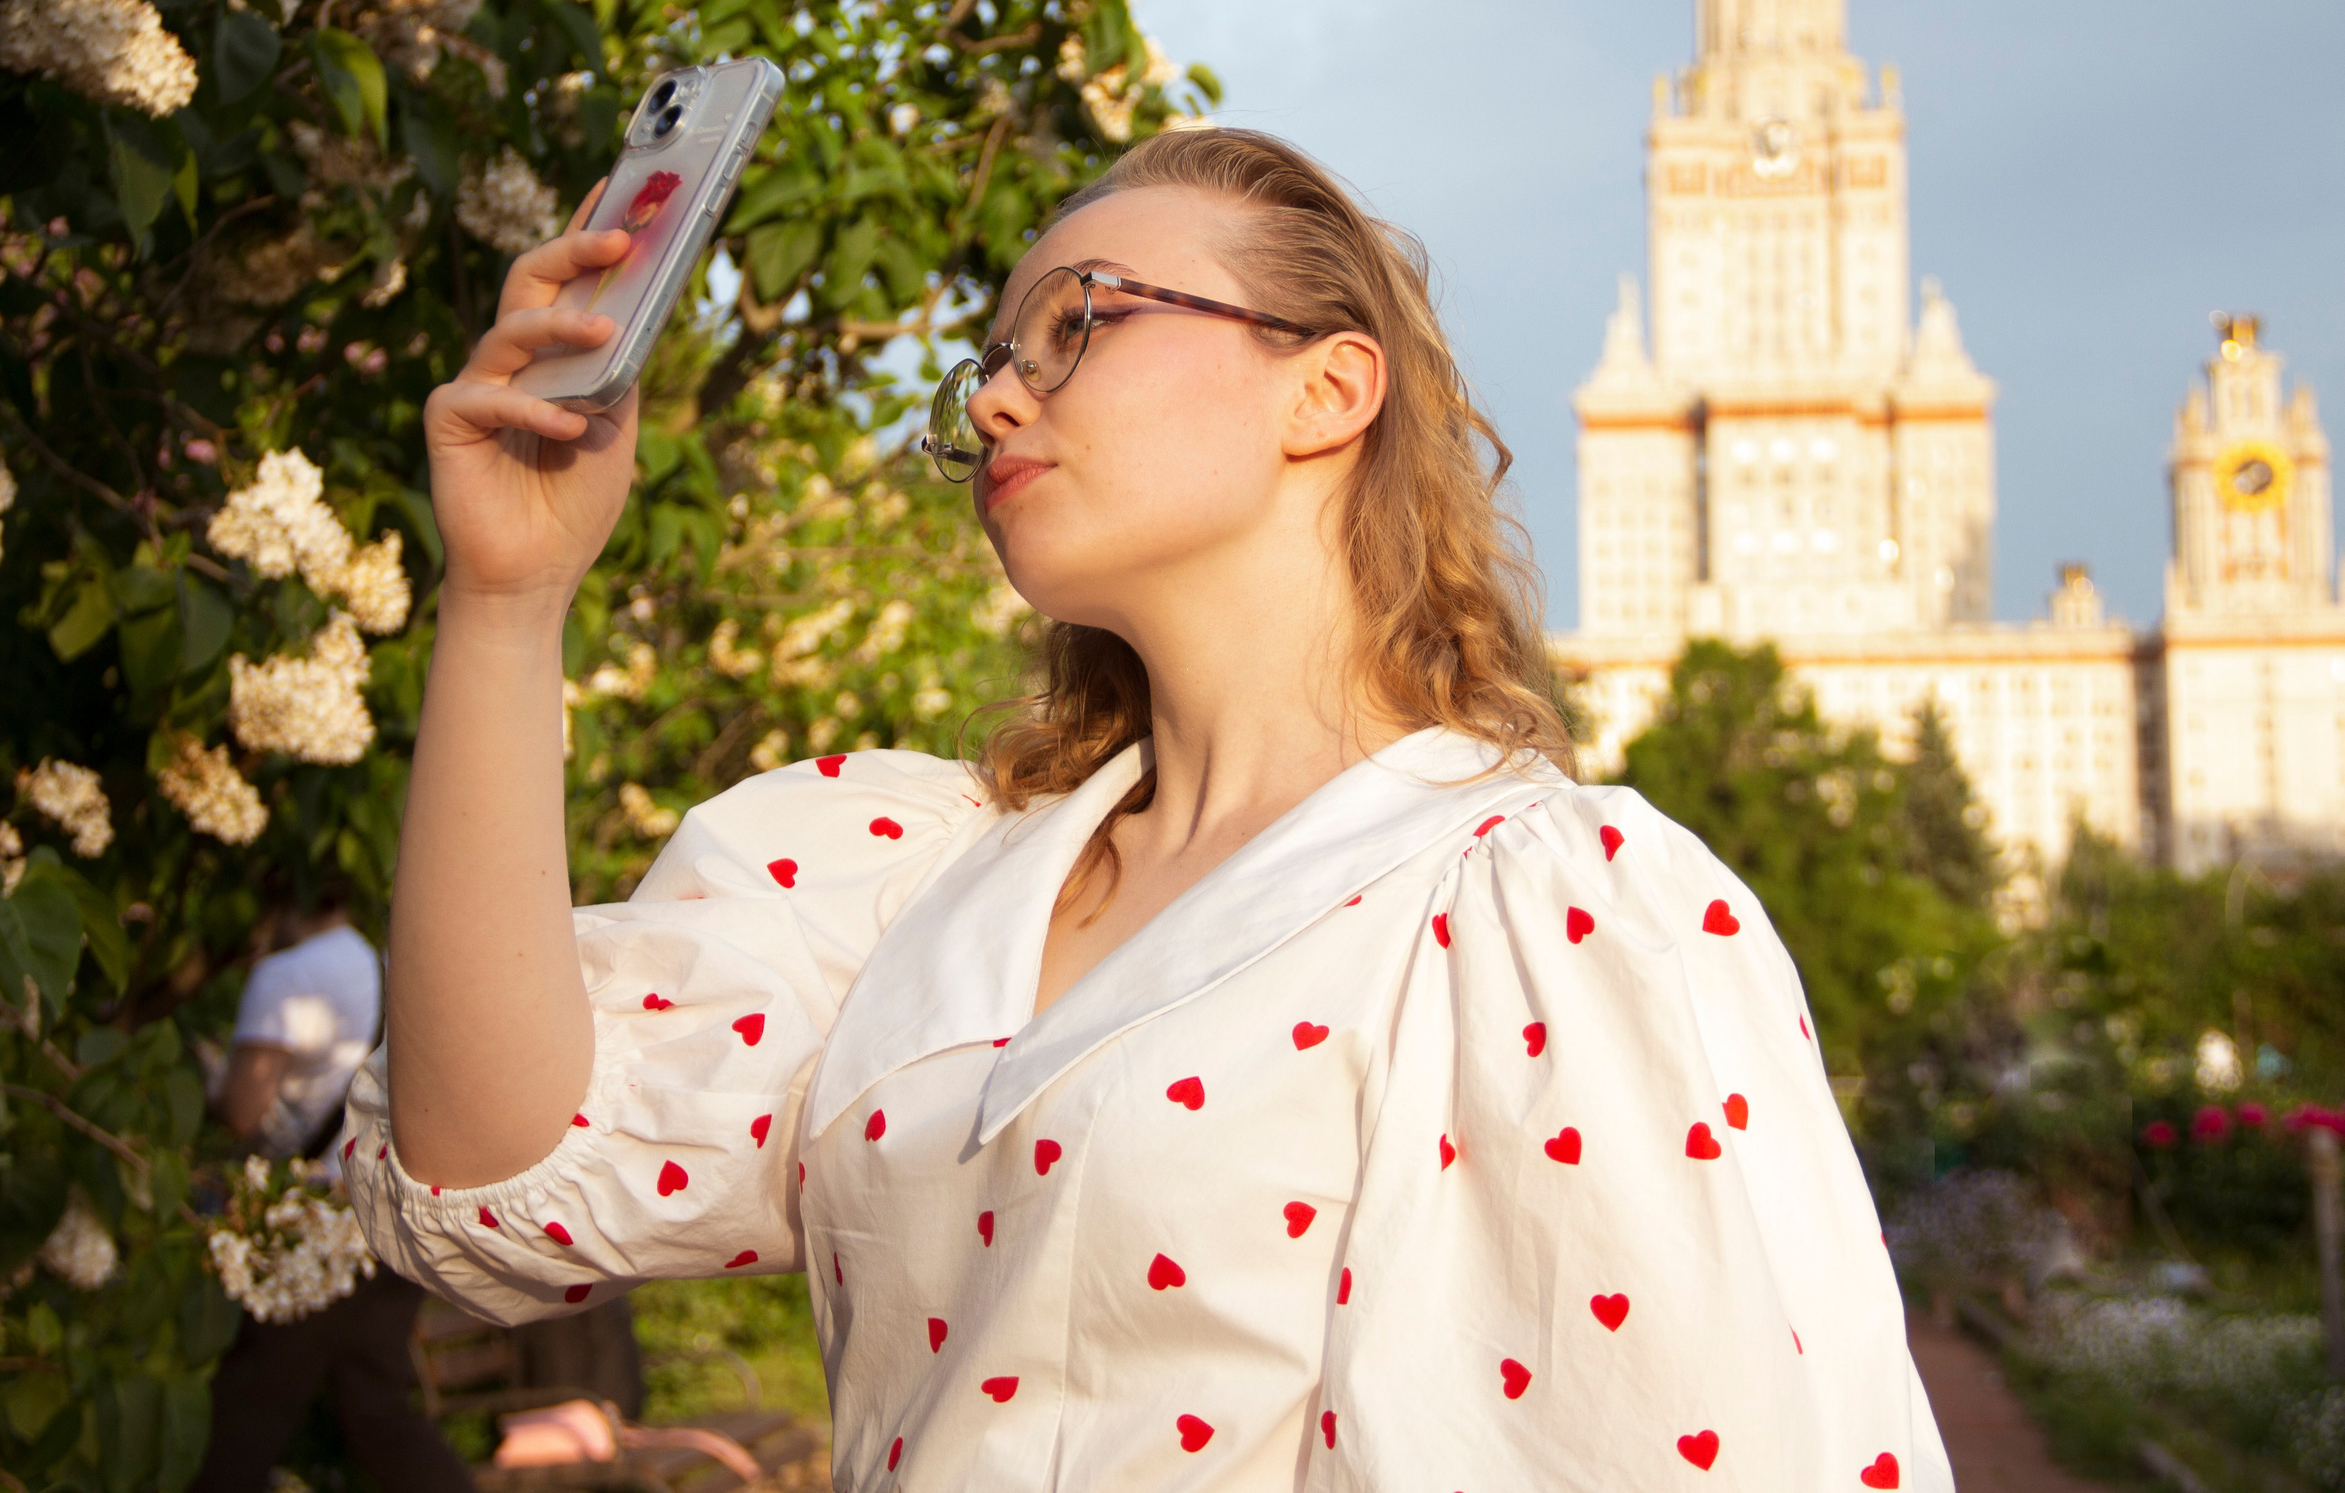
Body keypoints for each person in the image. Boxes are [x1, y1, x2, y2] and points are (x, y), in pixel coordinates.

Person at [343, 128, 1953, 1490]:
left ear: (1327, 390)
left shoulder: (1538, 911)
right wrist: (505, 597)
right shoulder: (918, 879)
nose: (992, 399)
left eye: (1081, 324)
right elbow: (491, 1164)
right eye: (990, 358)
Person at [193, 899, 471, 1493]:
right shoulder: (384, 963)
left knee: (244, 1413)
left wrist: (206, 1077)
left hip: (314, 1229)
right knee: (376, 1410)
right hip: (391, 1215)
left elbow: (242, 1112)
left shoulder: (287, 976)